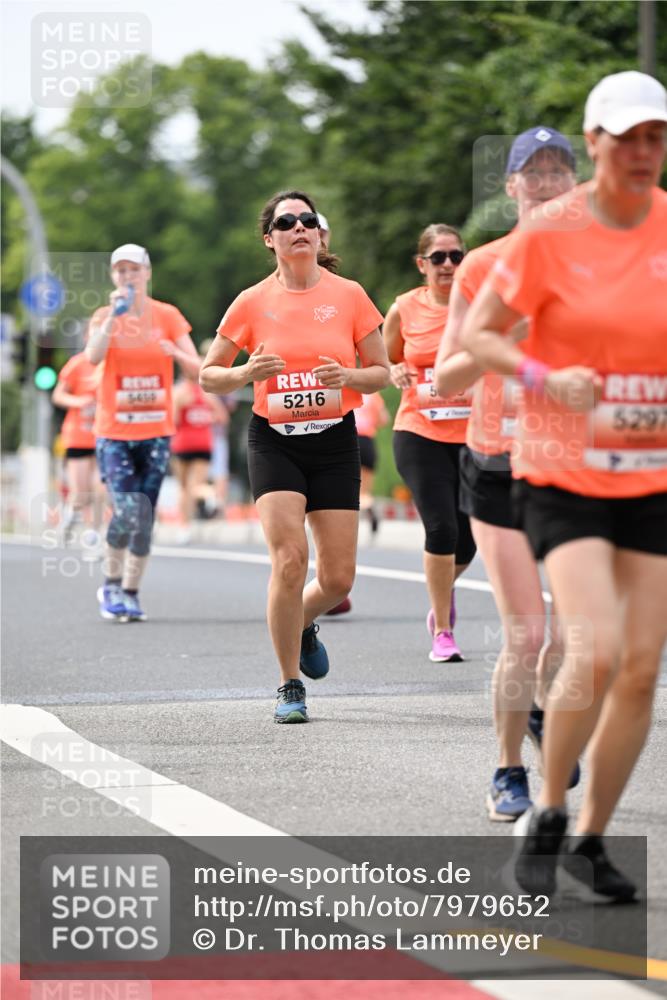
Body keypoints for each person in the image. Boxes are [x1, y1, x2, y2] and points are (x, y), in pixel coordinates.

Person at [462, 71, 667, 898]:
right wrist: (546, 374)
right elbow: (479, 336)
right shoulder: (549, 233)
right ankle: (546, 805)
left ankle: (586, 839)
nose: (643, 153)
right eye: (626, 139)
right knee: (597, 645)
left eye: (655, 137)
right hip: (558, 473)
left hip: (648, 469)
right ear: (594, 143)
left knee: (642, 665)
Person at [200, 190, 389, 723]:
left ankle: (302, 621)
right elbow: (207, 374)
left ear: (318, 233)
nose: (299, 227)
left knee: (338, 580)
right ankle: (289, 685)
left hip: (333, 439)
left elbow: (382, 370)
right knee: (289, 561)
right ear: (271, 238)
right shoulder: (251, 301)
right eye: (287, 222)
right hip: (274, 439)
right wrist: (244, 374)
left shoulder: (349, 295)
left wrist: (349, 377)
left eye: (307, 220)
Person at [434, 128, 578, 820]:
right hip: (496, 461)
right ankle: (506, 770)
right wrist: (514, 334)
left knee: (570, 635)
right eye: (534, 172)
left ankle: (543, 709)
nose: (548, 182)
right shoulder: (482, 267)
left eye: (559, 171)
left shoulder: (600, 263)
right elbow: (448, 372)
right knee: (524, 632)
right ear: (510, 185)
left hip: (574, 465)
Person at [86, 243, 200, 621]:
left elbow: (198, 370)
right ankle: (111, 584)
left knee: (144, 515)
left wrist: (176, 353)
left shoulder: (167, 316)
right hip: (115, 432)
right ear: (112, 277)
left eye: (133, 270)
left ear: (147, 274)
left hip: (156, 432)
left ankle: (131, 593)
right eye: (120, 271)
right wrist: (111, 320)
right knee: (127, 508)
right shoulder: (105, 314)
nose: (127, 277)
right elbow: (93, 357)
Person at [383, 224, 475, 663]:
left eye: (456, 256)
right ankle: (443, 629)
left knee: (471, 541)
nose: (448, 265)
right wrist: (396, 369)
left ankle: (443, 592)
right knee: (442, 528)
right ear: (422, 264)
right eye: (438, 258)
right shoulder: (404, 308)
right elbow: (382, 357)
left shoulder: (479, 306)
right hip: (419, 431)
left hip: (474, 434)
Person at [326, 391, 389, 615]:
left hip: (347, 437)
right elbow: (383, 419)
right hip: (368, 440)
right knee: (365, 491)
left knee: (342, 492)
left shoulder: (341, 384)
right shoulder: (372, 391)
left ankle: (358, 511)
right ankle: (369, 507)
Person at [52, 342, 105, 558]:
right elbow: (58, 395)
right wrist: (79, 401)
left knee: (100, 490)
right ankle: (70, 516)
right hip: (78, 436)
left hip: (105, 435)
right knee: (81, 493)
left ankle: (93, 537)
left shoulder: (115, 362)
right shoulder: (77, 364)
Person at [171, 367, 228, 533]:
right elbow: (223, 418)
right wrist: (206, 418)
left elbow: (173, 420)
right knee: (196, 485)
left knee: (184, 487)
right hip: (203, 444)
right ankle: (211, 496)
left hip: (183, 444)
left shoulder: (179, 393)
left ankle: (184, 525)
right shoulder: (207, 394)